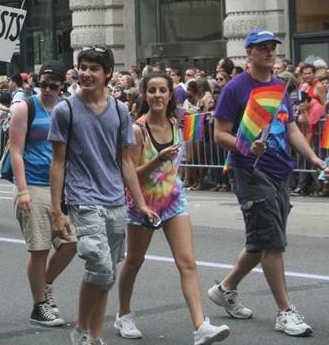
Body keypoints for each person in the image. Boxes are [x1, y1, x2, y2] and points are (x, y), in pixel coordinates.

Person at [210, 28, 324, 338]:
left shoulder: (279, 86)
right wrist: (246, 147)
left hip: (280, 171)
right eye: (262, 47)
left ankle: (225, 288)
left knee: (263, 238)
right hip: (249, 171)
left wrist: (312, 158)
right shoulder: (235, 88)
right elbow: (219, 134)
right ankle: (285, 311)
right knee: (272, 240)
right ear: (248, 53)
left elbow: (290, 131)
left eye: (272, 46)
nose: (270, 51)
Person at [48, 46, 157, 345]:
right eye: (82, 67)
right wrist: (57, 212)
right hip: (82, 199)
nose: (86, 73)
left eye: (94, 68)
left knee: (106, 273)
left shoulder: (120, 110)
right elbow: (57, 162)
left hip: (115, 200)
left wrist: (142, 204)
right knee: (100, 266)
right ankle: (82, 329)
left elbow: (125, 162)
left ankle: (95, 335)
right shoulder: (65, 109)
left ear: (108, 73)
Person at [114, 73, 230, 344]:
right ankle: (124, 314)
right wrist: (158, 161)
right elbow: (130, 175)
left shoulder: (177, 124)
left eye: (162, 90)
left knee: (187, 262)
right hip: (142, 205)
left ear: (170, 95)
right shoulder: (137, 130)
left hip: (174, 201)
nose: (157, 95)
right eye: (152, 90)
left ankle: (200, 326)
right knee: (134, 260)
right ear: (144, 93)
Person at [10, 61, 77, 327]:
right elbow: (15, 150)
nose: (48, 89)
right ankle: (39, 306)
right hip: (34, 184)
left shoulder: (67, 109)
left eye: (54, 85)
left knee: (71, 243)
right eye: (44, 84)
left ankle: (45, 285)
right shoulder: (25, 107)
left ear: (62, 85)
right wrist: (22, 189)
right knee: (39, 248)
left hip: (59, 187)